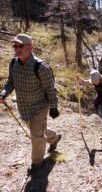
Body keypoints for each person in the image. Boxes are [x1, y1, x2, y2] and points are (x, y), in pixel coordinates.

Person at [0, 34, 61, 175]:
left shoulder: (41, 67)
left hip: (40, 107)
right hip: (24, 108)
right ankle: (55, 137)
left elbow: (50, 89)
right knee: (37, 129)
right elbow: (10, 82)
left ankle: (37, 163)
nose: (17, 49)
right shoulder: (13, 64)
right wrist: (3, 93)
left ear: (31, 47)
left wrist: (53, 107)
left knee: (36, 135)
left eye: (21, 46)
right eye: (15, 46)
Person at [76, 70, 102, 140]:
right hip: (100, 99)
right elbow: (84, 82)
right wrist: (79, 79)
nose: (95, 82)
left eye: (96, 80)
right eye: (93, 80)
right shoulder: (92, 81)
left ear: (99, 77)